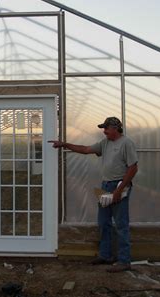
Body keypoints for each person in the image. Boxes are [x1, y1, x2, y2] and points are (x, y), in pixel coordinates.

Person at [48, 117, 138, 273]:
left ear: (116, 128)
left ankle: (124, 261)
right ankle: (106, 255)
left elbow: (133, 168)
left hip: (119, 186)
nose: (104, 131)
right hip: (106, 185)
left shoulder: (126, 143)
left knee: (121, 224)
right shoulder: (105, 143)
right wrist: (65, 144)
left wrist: (119, 190)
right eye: (104, 128)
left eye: (107, 128)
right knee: (104, 222)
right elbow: (85, 150)